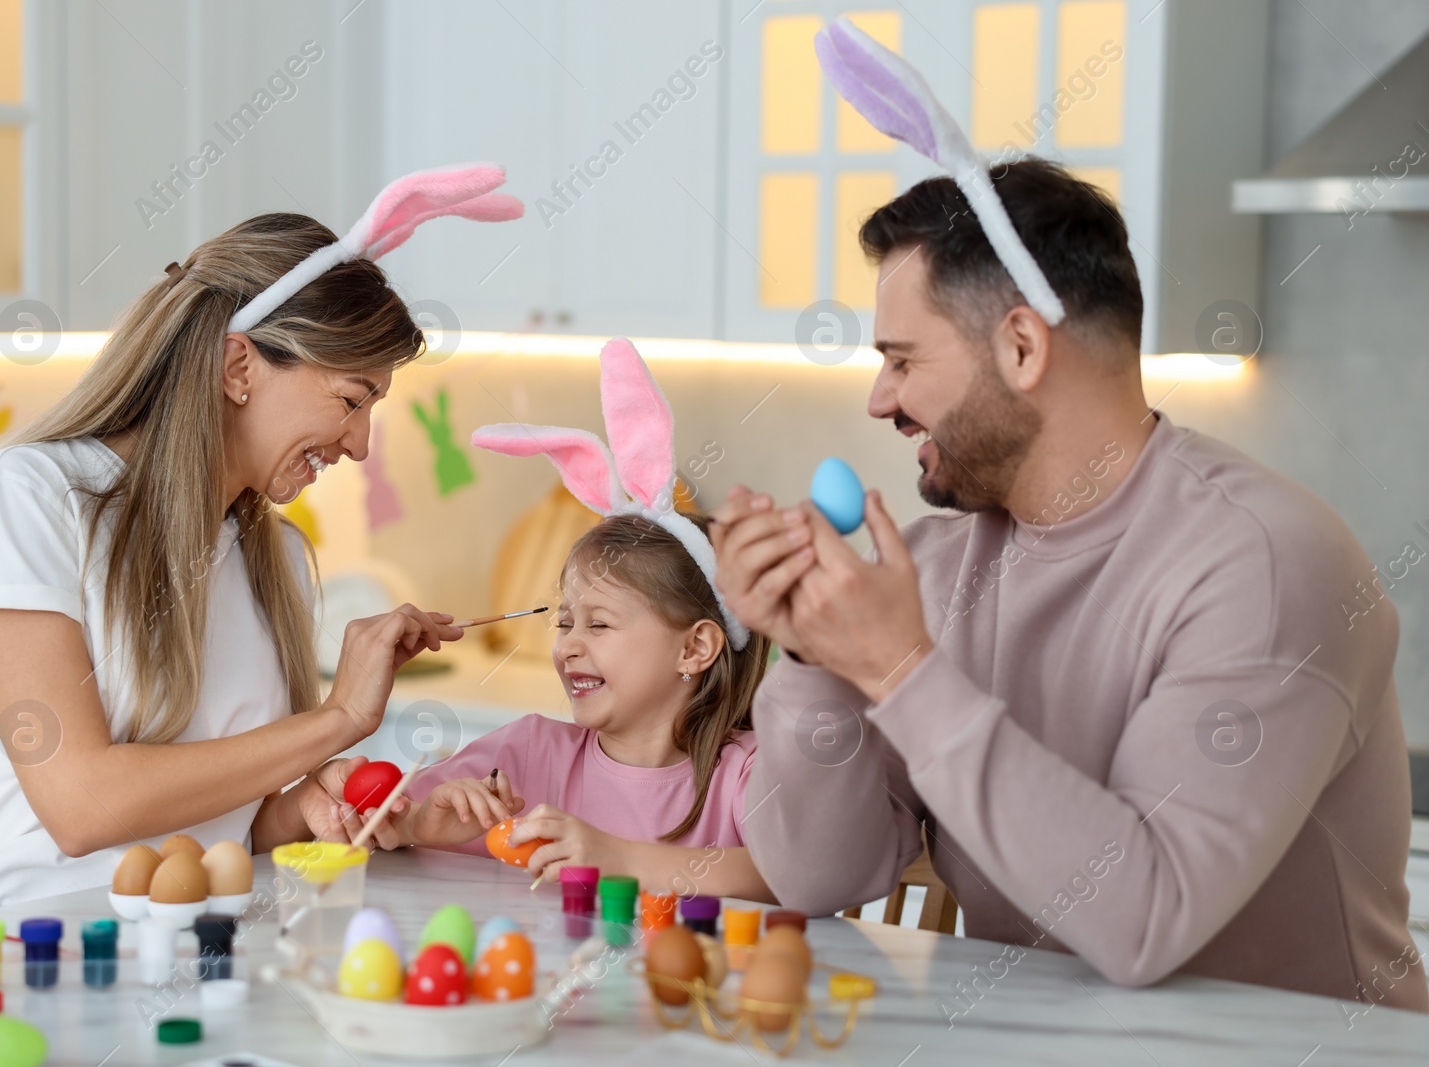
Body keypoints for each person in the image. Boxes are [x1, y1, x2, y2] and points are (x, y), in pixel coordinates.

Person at [712, 157, 1429, 1012]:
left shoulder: (1263, 563)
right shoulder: (935, 569)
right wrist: (814, 651)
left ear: (1021, 346)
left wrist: (901, 669)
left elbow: (1146, 921)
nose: (880, 399)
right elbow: (817, 878)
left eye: (902, 360)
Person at [0, 167, 521, 920]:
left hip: (176, 938)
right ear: (238, 366)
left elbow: (220, 820)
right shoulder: (27, 498)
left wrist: (301, 811)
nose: (359, 443)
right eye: (352, 400)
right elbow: (82, 804)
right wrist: (336, 718)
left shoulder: (277, 556)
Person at [368, 340, 776, 901]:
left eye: (600, 625)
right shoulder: (527, 753)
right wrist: (416, 828)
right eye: (564, 623)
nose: (568, 648)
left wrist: (617, 858)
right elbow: (376, 831)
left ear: (695, 648)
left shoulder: (747, 773)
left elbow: (789, 879)